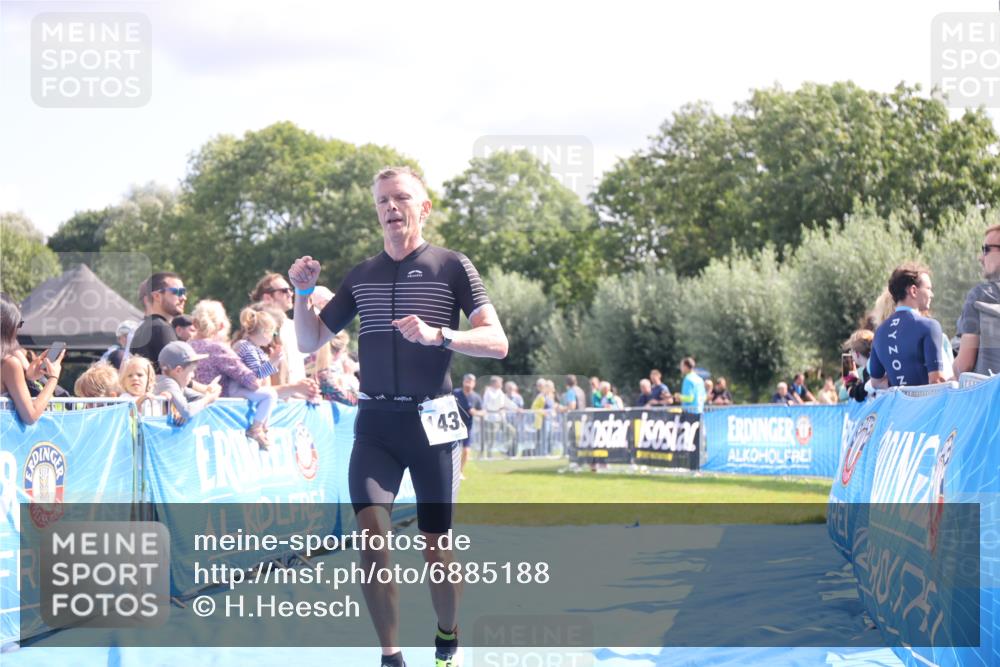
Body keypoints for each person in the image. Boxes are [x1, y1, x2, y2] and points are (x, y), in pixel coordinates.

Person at [289, 165, 508, 667]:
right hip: (376, 427)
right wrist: (303, 294)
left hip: (432, 424)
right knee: (371, 538)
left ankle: (447, 634)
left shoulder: (452, 266)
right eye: (382, 201)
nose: (390, 207)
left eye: (400, 198)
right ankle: (391, 655)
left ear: (423, 207)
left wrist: (441, 335)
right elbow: (310, 339)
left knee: (436, 545)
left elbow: (497, 342)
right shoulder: (362, 275)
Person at [189, 300, 277, 449]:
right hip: (219, 418)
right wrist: (271, 363)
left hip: (192, 414)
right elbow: (253, 382)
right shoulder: (218, 349)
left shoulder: (186, 346)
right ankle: (256, 429)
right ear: (222, 325)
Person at [868, 263, 945, 387]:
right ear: (913, 291)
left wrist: (901, 385)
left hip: (899, 406)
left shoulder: (880, 332)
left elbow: (875, 382)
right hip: (926, 405)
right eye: (929, 289)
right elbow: (936, 381)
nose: (932, 294)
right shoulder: (929, 326)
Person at [0, 297, 66, 424]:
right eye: (19, 323)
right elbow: (30, 415)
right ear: (9, 325)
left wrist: (28, 377)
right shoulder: (8, 363)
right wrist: (53, 378)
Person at [232, 308, 283, 449]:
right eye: (273, 333)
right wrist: (272, 362)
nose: (273, 337)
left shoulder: (254, 348)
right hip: (237, 389)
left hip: (243, 388)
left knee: (272, 395)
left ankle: (263, 426)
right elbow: (255, 376)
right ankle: (256, 429)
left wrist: (273, 362)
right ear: (264, 332)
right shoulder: (247, 348)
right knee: (270, 395)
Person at [953, 223, 1000, 376]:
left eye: (986, 249)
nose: (981, 258)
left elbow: (964, 365)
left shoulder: (980, 295)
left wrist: (952, 369)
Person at [251, 271, 308, 384]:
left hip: (298, 399)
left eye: (290, 290)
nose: (290, 294)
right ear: (267, 297)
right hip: (274, 397)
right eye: (284, 291)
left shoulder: (294, 326)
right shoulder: (257, 329)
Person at [153, 341, 221, 425]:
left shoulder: (177, 385)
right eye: (191, 371)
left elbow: (200, 398)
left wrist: (212, 392)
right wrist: (208, 399)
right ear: (178, 370)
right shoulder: (168, 383)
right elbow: (187, 411)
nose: (193, 376)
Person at [132, 272, 187, 372]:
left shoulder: (143, 328)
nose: (183, 297)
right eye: (176, 292)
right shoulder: (161, 328)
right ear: (157, 296)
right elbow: (176, 374)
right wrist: (205, 388)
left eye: (183, 292)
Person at [452, 373, 483, 477]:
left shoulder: (476, 397)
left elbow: (483, 411)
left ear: (474, 383)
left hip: (467, 427)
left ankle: (460, 471)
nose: (468, 383)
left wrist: (476, 412)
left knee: (466, 450)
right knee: (452, 451)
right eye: (467, 381)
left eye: (471, 381)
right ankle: (452, 470)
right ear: (463, 381)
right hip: (453, 426)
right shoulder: (456, 393)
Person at [843, 329, 875, 402]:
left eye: (851, 351)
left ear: (857, 353)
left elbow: (863, 392)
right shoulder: (878, 363)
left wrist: (850, 388)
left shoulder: (869, 368)